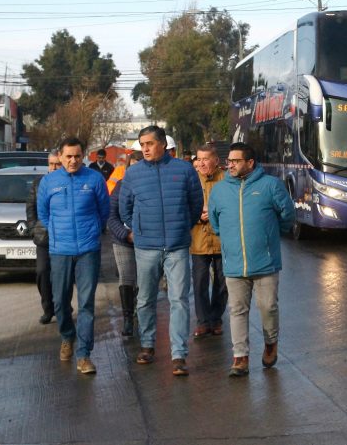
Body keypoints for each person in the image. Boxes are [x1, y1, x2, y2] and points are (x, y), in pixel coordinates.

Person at [119, 125, 203, 376]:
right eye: (141, 145)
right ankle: (147, 345)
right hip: (146, 247)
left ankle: (178, 355)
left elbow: (195, 203)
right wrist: (139, 229)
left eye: (149, 144)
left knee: (178, 300)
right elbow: (125, 208)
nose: (144, 148)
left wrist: (181, 227)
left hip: (177, 246)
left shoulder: (184, 170)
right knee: (145, 300)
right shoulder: (133, 174)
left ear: (163, 144)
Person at [208, 142, 295, 377]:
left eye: (236, 161)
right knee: (236, 310)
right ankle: (240, 357)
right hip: (234, 263)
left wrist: (270, 235)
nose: (231, 165)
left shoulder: (270, 186)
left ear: (250, 163)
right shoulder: (219, 190)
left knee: (268, 307)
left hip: (265, 263)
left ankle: (270, 342)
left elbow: (288, 215)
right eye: (229, 161)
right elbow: (216, 224)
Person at [37, 138, 110, 375]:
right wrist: (59, 234)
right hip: (60, 251)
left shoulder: (94, 179)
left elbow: (104, 211)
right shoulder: (48, 182)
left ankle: (84, 354)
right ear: (60, 156)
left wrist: (92, 231)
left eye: (77, 156)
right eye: (68, 156)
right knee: (60, 301)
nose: (73, 161)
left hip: (88, 249)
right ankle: (67, 337)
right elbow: (44, 215)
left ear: (84, 156)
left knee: (86, 303)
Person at [190, 144, 228, 339]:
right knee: (199, 283)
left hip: (222, 240)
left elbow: (233, 207)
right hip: (198, 239)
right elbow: (183, 206)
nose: (201, 163)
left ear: (216, 161)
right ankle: (203, 321)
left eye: (206, 159)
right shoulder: (191, 179)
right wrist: (198, 216)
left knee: (223, 283)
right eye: (199, 159)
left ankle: (216, 318)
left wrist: (212, 215)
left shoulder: (227, 179)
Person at [107, 150, 143, 337]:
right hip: (124, 239)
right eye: (133, 167)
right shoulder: (120, 187)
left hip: (148, 240)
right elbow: (111, 216)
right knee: (127, 277)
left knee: (145, 280)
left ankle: (141, 312)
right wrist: (126, 234)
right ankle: (128, 318)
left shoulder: (152, 187)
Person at [26, 150, 61, 325]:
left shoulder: (67, 181)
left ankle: (63, 307)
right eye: (51, 164)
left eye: (57, 164)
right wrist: (34, 228)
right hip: (43, 238)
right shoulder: (38, 183)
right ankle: (48, 308)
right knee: (42, 272)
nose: (54, 167)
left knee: (62, 276)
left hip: (63, 238)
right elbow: (30, 208)